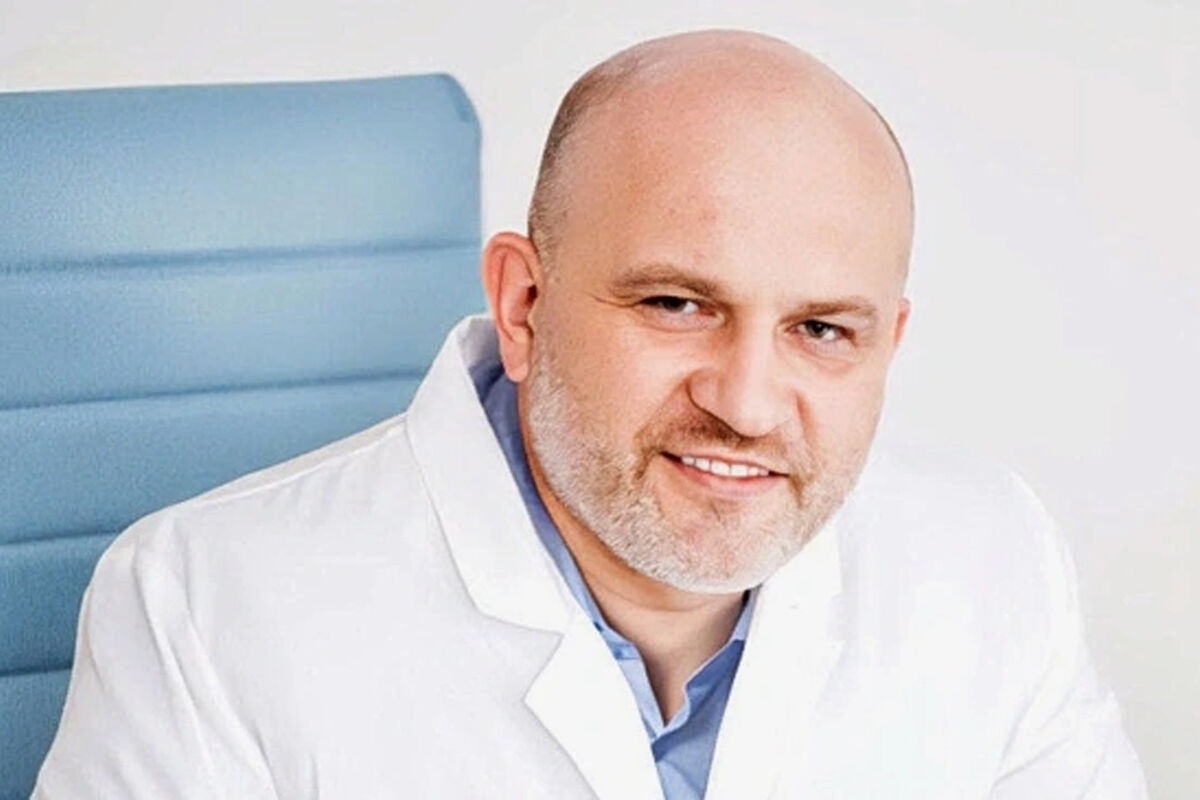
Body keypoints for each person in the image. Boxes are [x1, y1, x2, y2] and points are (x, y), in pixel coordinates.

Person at [34, 30, 1146, 799]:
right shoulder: (202, 606)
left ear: (886, 346)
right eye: (676, 304)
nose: (746, 402)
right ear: (524, 304)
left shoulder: (992, 559)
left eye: (821, 329)